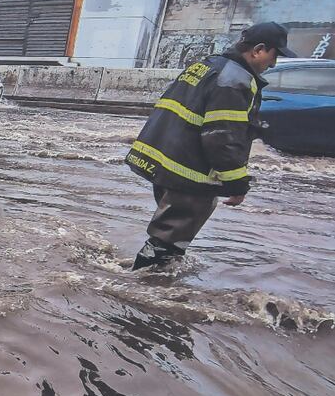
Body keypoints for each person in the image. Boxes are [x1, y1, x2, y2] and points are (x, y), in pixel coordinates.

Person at [127, 22, 297, 269]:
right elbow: (222, 136)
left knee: (168, 238)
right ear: (259, 49)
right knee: (166, 242)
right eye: (274, 55)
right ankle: (136, 291)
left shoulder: (206, 66)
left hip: (165, 166)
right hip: (189, 173)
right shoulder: (236, 80)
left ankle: (149, 284)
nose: (273, 64)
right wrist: (237, 183)